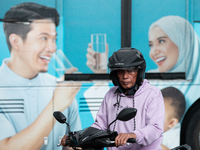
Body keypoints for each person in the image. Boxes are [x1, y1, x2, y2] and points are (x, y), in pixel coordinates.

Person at [0, 2, 81, 150]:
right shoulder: (60, 96)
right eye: (44, 38)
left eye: (54, 39)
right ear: (16, 41)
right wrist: (56, 105)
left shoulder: (60, 88)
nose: (53, 48)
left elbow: (74, 145)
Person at [61, 47, 165, 149]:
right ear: (115, 75)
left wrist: (133, 135)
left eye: (130, 71)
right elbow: (100, 126)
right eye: (120, 72)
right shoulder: (111, 94)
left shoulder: (152, 94)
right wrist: (77, 136)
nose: (125, 76)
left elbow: (156, 128)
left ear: (139, 72)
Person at [148, 15, 200, 80]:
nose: (154, 52)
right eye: (151, 45)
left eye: (161, 41)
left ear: (183, 42)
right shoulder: (148, 81)